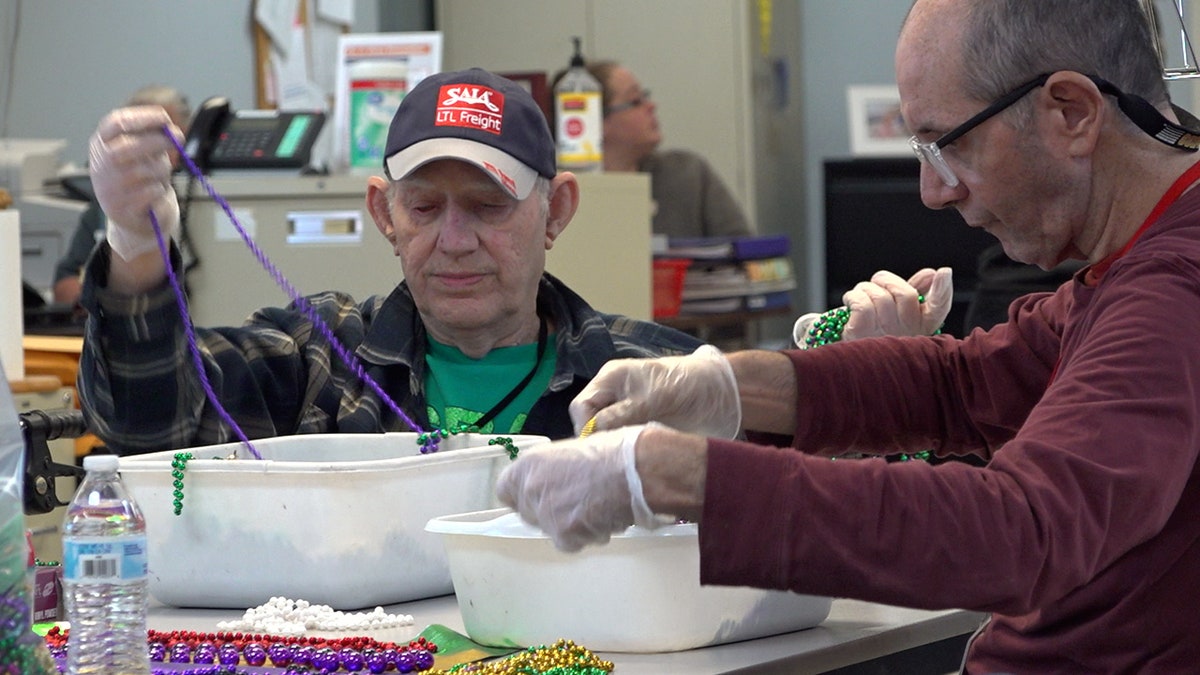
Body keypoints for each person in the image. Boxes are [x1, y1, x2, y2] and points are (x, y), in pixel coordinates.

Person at [495, 0, 1200, 671]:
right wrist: (728, 386)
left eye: (947, 146)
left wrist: (670, 474)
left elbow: (1021, 531)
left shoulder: (1171, 291)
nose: (934, 191)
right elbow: (965, 382)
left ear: (1071, 113)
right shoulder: (1136, 259)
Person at [554, 60, 753, 239]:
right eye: (636, 101)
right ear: (594, 120)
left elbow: (744, 247)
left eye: (645, 97)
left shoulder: (688, 172)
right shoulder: (561, 190)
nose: (651, 106)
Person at [52, 85, 191, 307]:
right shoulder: (109, 206)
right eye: (137, 139)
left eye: (160, 136)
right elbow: (64, 283)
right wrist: (100, 299)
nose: (149, 153)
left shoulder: (200, 199)